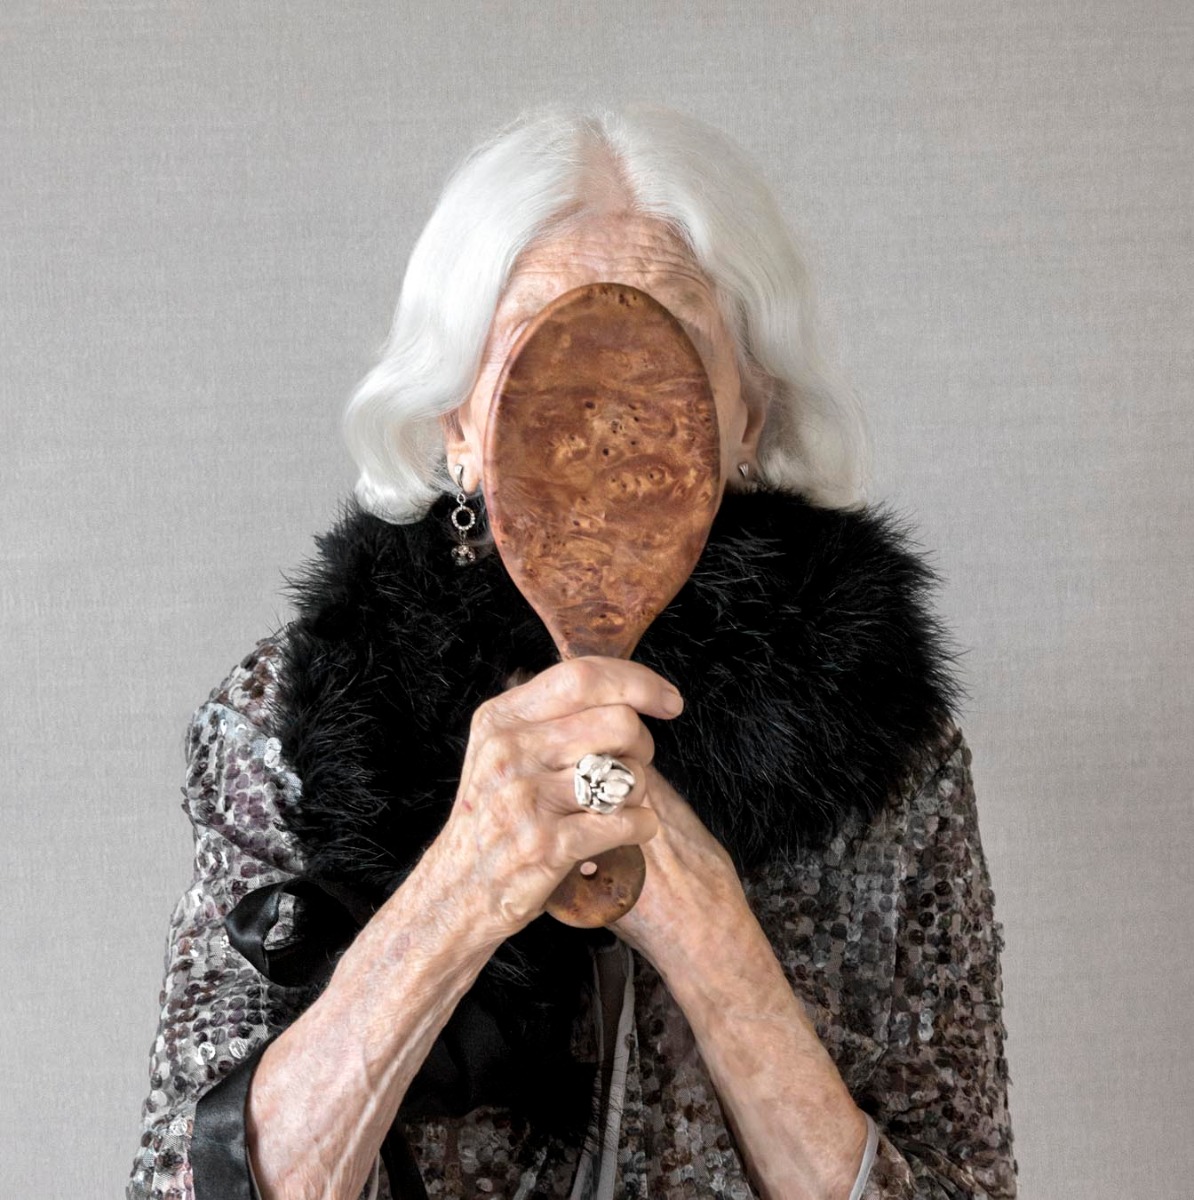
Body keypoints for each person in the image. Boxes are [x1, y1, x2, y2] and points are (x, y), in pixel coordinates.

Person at [128, 105, 1017, 1200]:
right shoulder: (282, 721)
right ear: (460, 422)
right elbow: (177, 1187)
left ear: (750, 416)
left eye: (670, 349)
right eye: (542, 357)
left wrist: (709, 932)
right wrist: (464, 883)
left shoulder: (890, 751)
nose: (605, 412)